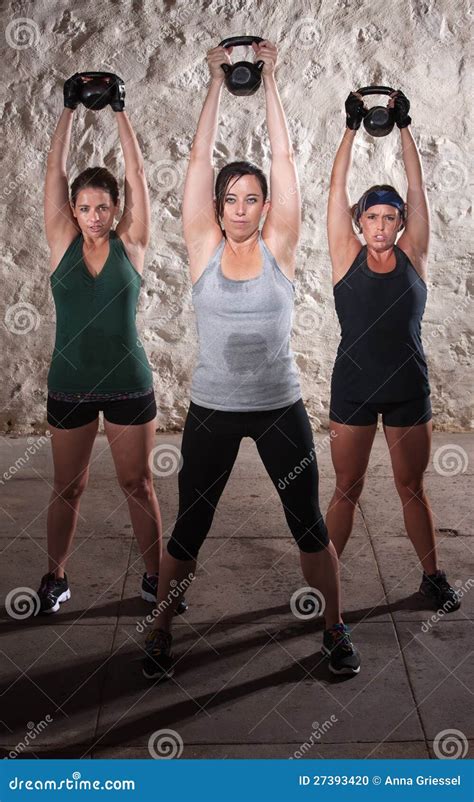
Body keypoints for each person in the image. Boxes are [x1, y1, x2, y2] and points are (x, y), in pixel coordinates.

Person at [143, 41, 361, 680]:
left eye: (251, 199)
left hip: (278, 408)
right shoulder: (202, 244)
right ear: (217, 207)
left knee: (307, 525)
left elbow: (287, 158)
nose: (240, 208)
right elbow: (196, 161)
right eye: (230, 199)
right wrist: (215, 82)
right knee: (190, 526)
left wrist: (273, 83)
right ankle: (160, 628)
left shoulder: (281, 247)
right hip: (212, 407)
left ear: (266, 208)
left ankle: (334, 627)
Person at [38, 73, 186, 615]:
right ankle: (55, 576)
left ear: (115, 208)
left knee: (138, 483)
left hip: (128, 385)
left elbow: (140, 175)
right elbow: (53, 173)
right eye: (85, 208)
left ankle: (155, 578)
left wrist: (120, 111)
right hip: (70, 384)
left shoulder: (134, 243)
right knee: (67, 489)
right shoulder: (61, 243)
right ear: (72, 211)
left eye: (104, 208)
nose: (95, 217)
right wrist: (68, 110)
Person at [326, 90, 460, 613]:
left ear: (401, 224)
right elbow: (336, 187)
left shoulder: (414, 255)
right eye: (372, 217)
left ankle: (432, 575)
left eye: (389, 218)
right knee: (345, 490)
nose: (380, 226)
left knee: (412, 486)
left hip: (408, 390)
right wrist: (350, 128)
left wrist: (404, 126)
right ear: (359, 222)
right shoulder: (345, 254)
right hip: (354, 390)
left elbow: (417, 185)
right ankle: (327, 582)